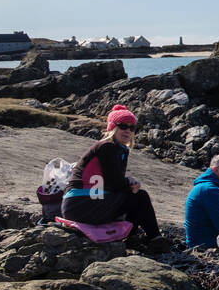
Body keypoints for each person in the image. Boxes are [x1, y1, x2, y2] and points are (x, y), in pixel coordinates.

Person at [61, 104, 170, 251]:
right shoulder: (107, 147)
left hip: (85, 202)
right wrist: (129, 183)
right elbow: (114, 183)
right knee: (140, 197)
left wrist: (127, 184)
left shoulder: (118, 149)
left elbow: (113, 182)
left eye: (132, 128)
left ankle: (132, 237)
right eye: (123, 126)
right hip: (82, 203)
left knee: (131, 197)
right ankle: (155, 240)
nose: (128, 131)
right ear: (112, 127)